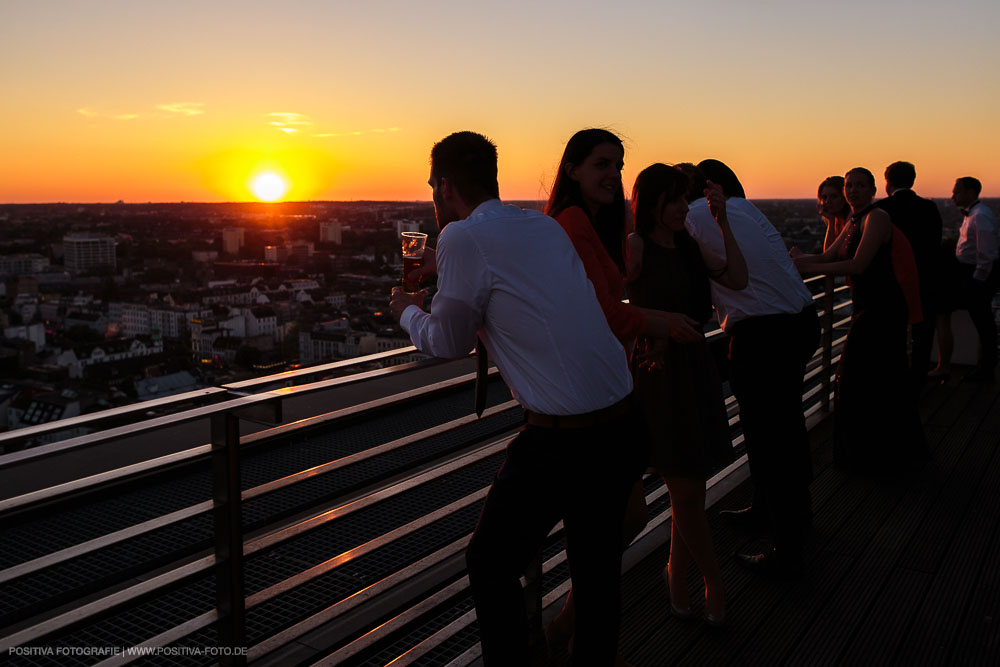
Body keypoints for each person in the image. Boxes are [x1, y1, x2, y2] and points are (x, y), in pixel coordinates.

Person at [390, 131, 646, 666]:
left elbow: (450, 341)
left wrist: (405, 312)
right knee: (596, 575)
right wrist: (445, 264)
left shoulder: (462, 237)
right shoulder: (541, 227)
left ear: (443, 185)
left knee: (489, 563)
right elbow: (507, 275)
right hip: (621, 421)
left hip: (563, 440)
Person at [541, 128, 701, 649]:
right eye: (601, 164)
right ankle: (585, 642)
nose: (613, 173)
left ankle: (570, 627)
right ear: (572, 170)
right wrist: (661, 323)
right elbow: (604, 312)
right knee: (616, 522)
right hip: (592, 399)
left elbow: (612, 303)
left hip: (610, 389)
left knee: (617, 522)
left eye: (619, 164)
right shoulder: (570, 224)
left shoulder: (593, 222)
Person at [687, 159, 820, 578]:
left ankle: (787, 551)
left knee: (769, 439)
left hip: (764, 337)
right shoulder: (746, 208)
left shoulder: (693, 215)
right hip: (799, 322)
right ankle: (781, 514)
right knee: (786, 430)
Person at [627, 163, 747, 625]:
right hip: (659, 372)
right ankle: (713, 580)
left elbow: (738, 279)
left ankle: (676, 577)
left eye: (685, 199)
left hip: (693, 367)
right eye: (674, 199)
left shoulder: (689, 245)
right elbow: (608, 301)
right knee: (688, 489)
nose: (682, 208)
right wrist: (653, 325)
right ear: (652, 201)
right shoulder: (636, 246)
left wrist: (723, 223)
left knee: (688, 488)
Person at [792, 167, 926, 471]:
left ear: (873, 189)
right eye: (849, 185)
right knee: (882, 379)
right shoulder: (854, 220)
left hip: (884, 307)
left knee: (855, 377)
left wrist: (805, 268)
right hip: (868, 305)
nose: (852, 190)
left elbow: (858, 264)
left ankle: (871, 454)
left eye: (860, 185)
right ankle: (887, 454)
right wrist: (792, 261)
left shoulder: (876, 218)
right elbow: (829, 257)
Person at [878, 161, 944, 384]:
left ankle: (892, 378)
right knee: (923, 333)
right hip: (926, 278)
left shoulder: (882, 210)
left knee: (891, 333)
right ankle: (917, 378)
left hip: (891, 280)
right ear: (913, 180)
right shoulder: (929, 208)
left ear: (888, 182)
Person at [949, 177, 999, 382]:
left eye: (957, 192)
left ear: (970, 193)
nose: (953, 196)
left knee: (984, 323)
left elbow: (986, 253)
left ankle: (985, 369)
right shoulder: (974, 214)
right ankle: (983, 366)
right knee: (982, 322)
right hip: (971, 274)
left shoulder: (980, 216)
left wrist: (977, 281)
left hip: (977, 276)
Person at [817, 176, 851, 251]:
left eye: (834, 196)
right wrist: (831, 221)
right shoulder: (837, 223)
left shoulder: (852, 220)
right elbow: (827, 254)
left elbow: (829, 256)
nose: (828, 201)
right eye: (824, 197)